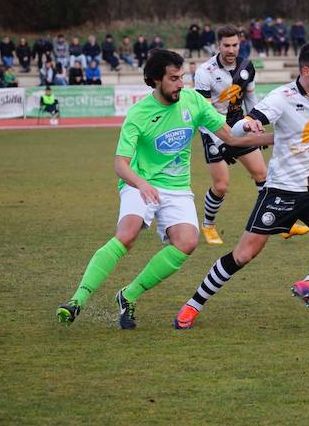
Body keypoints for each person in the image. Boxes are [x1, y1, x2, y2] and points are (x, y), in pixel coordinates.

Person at [56, 49, 271, 329]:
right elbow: (121, 164)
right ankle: (76, 301)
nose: (180, 84)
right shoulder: (139, 114)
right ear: (156, 80)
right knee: (127, 234)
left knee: (187, 242)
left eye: (181, 77)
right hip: (139, 181)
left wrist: (276, 138)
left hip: (177, 187)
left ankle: (128, 295)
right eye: (173, 78)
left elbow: (229, 136)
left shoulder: (192, 101)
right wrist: (142, 184)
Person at [172, 43, 309, 330]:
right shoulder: (281, 98)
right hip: (280, 193)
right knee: (243, 255)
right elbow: (238, 128)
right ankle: (192, 306)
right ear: (306, 71)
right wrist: (246, 126)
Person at [193, 24, 307, 245]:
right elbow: (204, 113)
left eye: (235, 45)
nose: (231, 50)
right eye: (226, 45)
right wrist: (219, 138)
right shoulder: (204, 72)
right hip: (213, 130)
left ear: (240, 44)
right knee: (221, 186)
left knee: (263, 176)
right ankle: (208, 226)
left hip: (239, 126)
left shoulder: (247, 67)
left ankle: (282, 224)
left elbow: (250, 99)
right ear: (218, 45)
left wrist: (255, 121)